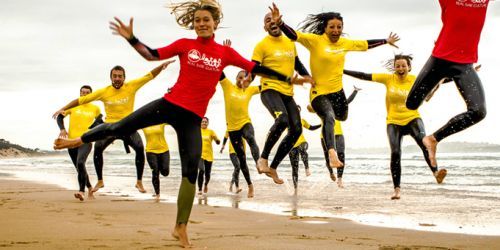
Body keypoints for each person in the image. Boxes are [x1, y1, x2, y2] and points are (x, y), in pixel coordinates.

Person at [53, 0, 306, 247]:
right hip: (169, 104)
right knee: (119, 126)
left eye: (206, 20)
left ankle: (180, 226)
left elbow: (256, 68)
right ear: (193, 25)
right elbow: (151, 55)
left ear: (215, 23)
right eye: (197, 21)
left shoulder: (225, 53)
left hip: (192, 118)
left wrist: (288, 78)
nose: (201, 24)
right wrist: (131, 38)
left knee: (190, 172)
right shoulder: (185, 44)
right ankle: (77, 140)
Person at [270, 3, 399, 171]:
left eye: (339, 27)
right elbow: (295, 35)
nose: (336, 30)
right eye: (332, 27)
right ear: (325, 28)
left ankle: (319, 113)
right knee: (329, 117)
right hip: (319, 92)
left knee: (342, 116)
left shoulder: (344, 43)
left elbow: (364, 44)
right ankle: (332, 153)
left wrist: (385, 41)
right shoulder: (315, 41)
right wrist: (281, 24)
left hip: (338, 92)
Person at [53, 63, 170, 194]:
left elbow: (149, 76)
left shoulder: (131, 86)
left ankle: (139, 181)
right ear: (111, 77)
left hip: (128, 125)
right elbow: (82, 100)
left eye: (120, 76)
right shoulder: (104, 91)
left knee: (139, 148)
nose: (117, 78)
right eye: (114, 76)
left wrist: (162, 66)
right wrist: (64, 108)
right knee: (98, 148)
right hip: (110, 127)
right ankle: (100, 180)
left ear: (124, 78)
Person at [344, 54, 447, 199]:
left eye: (403, 65)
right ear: (394, 67)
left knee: (424, 143)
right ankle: (397, 189)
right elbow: (364, 75)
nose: (400, 68)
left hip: (412, 118)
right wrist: (342, 70)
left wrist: (462, 74)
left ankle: (436, 173)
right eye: (397, 66)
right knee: (396, 153)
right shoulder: (388, 79)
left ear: (409, 67)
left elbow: (437, 79)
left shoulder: (414, 79)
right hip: (393, 121)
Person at [405, 0, 490, 168]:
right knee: (411, 104)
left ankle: (433, 139)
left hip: (464, 65)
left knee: (479, 112)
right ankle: (439, 81)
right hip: (439, 60)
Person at [253, 11, 314, 185]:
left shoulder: (290, 42)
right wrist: (246, 80)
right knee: (283, 120)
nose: (271, 22)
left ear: (279, 22)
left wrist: (309, 78)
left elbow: (297, 64)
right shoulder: (261, 45)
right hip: (269, 90)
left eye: (274, 19)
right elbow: (254, 68)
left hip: (288, 93)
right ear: (265, 27)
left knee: (296, 130)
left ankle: (273, 167)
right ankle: (262, 159)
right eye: (267, 20)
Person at [219, 67, 261, 198]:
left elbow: (267, 86)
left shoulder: (250, 89)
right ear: (236, 78)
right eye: (240, 77)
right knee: (241, 159)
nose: (242, 80)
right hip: (232, 129)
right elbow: (219, 69)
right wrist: (225, 53)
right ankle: (250, 185)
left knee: (250, 137)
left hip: (245, 123)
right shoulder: (227, 86)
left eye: (245, 77)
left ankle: (259, 163)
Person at [56, 85, 101, 201]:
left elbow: (100, 121)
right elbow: (60, 116)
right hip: (70, 142)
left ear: (91, 94)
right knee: (79, 168)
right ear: (80, 94)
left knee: (80, 163)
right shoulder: (74, 106)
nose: (84, 94)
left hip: (85, 141)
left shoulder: (95, 108)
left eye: (87, 93)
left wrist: (104, 135)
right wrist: (62, 129)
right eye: (82, 92)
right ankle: (90, 188)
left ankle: (81, 191)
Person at [308, 87, 360, 188]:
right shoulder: (322, 106)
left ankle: (340, 179)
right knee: (328, 157)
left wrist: (355, 91)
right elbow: (310, 107)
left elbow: (347, 100)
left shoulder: (337, 107)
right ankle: (331, 172)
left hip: (339, 133)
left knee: (341, 154)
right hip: (326, 135)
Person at [288, 106, 321, 191]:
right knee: (294, 169)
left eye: (298, 111)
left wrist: (321, 124)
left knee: (302, 149)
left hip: (302, 142)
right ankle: (295, 189)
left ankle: (307, 168)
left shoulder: (302, 121)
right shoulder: (287, 121)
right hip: (291, 146)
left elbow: (311, 127)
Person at [142, 123, 170, 202]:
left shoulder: (161, 122)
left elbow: (172, 117)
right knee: (155, 172)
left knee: (165, 172)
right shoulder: (143, 125)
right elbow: (131, 126)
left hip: (164, 150)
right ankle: (157, 194)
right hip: (150, 151)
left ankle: (160, 167)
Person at [198, 117, 220, 196]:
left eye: (205, 122)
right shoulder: (197, 131)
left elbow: (217, 140)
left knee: (207, 174)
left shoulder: (211, 132)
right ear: (200, 123)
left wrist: (217, 141)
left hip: (209, 155)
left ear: (208, 123)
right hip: (200, 155)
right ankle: (200, 189)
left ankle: (206, 184)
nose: (204, 123)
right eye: (203, 122)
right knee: (201, 170)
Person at [220, 131, 245, 195]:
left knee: (237, 169)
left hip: (241, 152)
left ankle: (231, 183)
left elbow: (246, 139)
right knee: (237, 167)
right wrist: (223, 146)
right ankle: (237, 187)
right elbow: (225, 137)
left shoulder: (243, 128)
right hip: (232, 151)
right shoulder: (230, 128)